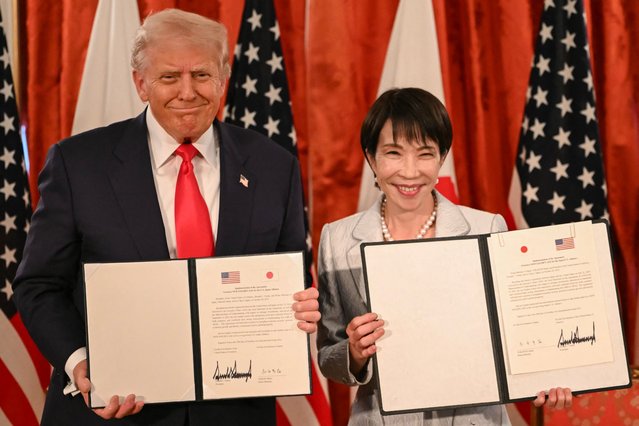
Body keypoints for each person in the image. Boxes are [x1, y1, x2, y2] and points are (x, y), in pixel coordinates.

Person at [13, 9, 319, 426]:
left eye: (202, 75)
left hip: (232, 413)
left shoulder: (273, 166)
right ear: (141, 84)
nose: (187, 92)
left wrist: (298, 305)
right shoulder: (78, 164)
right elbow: (39, 284)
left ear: (224, 79)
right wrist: (82, 364)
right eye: (170, 77)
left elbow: (291, 277)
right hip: (111, 409)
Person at [316, 87, 572, 425]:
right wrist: (353, 352)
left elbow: (519, 331)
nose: (409, 171)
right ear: (370, 158)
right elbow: (327, 356)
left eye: (425, 154)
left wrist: (549, 372)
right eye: (393, 153)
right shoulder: (337, 239)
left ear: (442, 157)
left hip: (475, 418)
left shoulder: (488, 228)